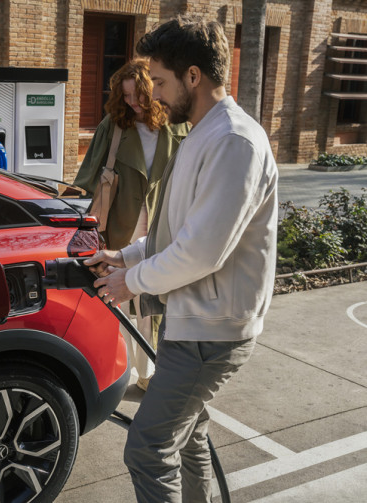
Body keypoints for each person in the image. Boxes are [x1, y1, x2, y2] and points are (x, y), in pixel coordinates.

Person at [85, 15, 278, 502]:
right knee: (188, 436)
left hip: (211, 332)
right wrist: (123, 255)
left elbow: (202, 251)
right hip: (191, 323)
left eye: (164, 82)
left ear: (194, 77)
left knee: (147, 448)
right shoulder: (201, 135)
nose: (156, 95)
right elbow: (175, 233)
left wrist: (132, 281)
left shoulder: (233, 141)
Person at [74, 58, 188, 391]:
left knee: (150, 306)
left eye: (138, 95)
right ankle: (116, 371)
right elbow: (88, 180)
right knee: (116, 305)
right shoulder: (114, 125)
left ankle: (148, 372)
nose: (132, 103)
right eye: (125, 96)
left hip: (161, 227)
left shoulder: (178, 127)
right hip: (118, 227)